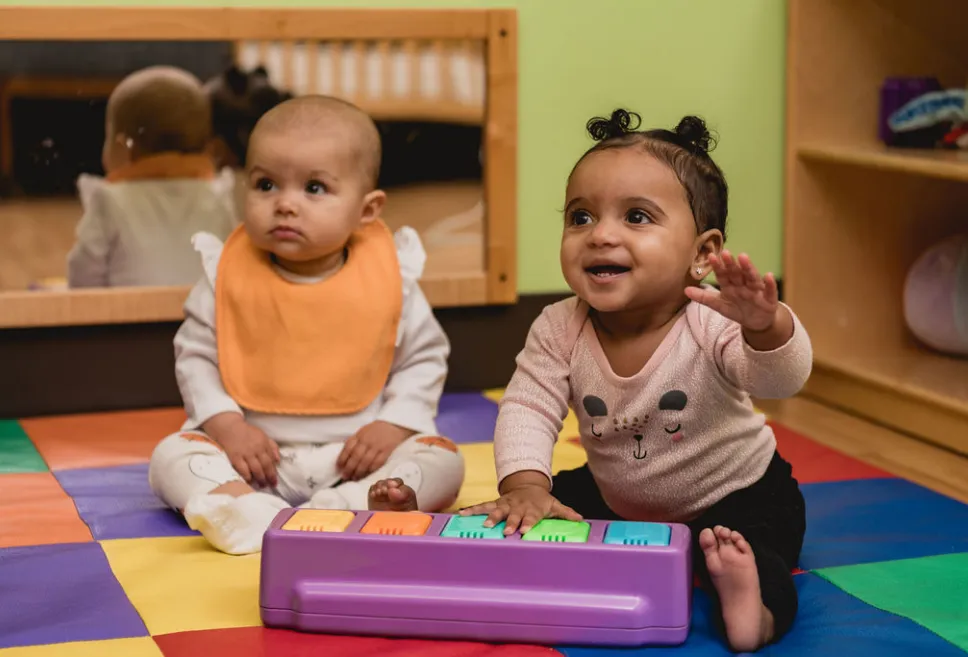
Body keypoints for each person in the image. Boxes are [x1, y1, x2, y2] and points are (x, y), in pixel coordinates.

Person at [461, 109, 811, 652]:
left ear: (702, 254)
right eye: (580, 217)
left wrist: (766, 328)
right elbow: (528, 407)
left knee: (754, 546)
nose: (600, 235)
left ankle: (755, 610)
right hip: (618, 494)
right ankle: (491, 543)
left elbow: (779, 381)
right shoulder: (559, 327)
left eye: (637, 217)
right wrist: (525, 486)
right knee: (538, 502)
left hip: (737, 494)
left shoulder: (711, 321)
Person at [148, 95, 465, 555]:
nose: (285, 205)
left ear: (367, 210)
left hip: (355, 457)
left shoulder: (391, 276)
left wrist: (393, 427)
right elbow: (196, 355)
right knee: (170, 456)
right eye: (266, 185)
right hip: (252, 459)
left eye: (314, 188)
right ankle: (242, 508)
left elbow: (424, 356)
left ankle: (354, 504)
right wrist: (229, 428)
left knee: (443, 458)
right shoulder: (226, 275)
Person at [67, 66, 237, 288]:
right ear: (208, 149)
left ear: (121, 148)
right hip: (205, 320)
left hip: (131, 320)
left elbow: (84, 275)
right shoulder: (218, 197)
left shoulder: (109, 200)